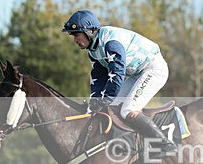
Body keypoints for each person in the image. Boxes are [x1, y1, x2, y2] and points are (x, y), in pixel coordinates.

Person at [61, 10, 176, 155]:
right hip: (138, 73)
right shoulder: (93, 50)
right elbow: (98, 79)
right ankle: (129, 145)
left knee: (127, 110)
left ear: (89, 31)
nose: (75, 40)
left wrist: (104, 100)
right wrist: (95, 102)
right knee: (112, 107)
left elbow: (116, 76)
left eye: (77, 35)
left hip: (153, 69)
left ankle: (164, 145)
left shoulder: (111, 44)